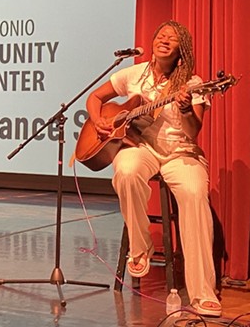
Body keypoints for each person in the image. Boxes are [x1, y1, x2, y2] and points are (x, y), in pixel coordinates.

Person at [85, 20, 221, 317]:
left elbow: (193, 130)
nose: (164, 39)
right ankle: (140, 247)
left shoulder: (193, 83)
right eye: (161, 35)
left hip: (180, 152)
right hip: (142, 147)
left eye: (172, 38)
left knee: (196, 195)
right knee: (126, 170)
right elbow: (95, 98)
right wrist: (98, 121)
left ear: (180, 49)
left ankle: (202, 293)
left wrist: (185, 108)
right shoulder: (135, 74)